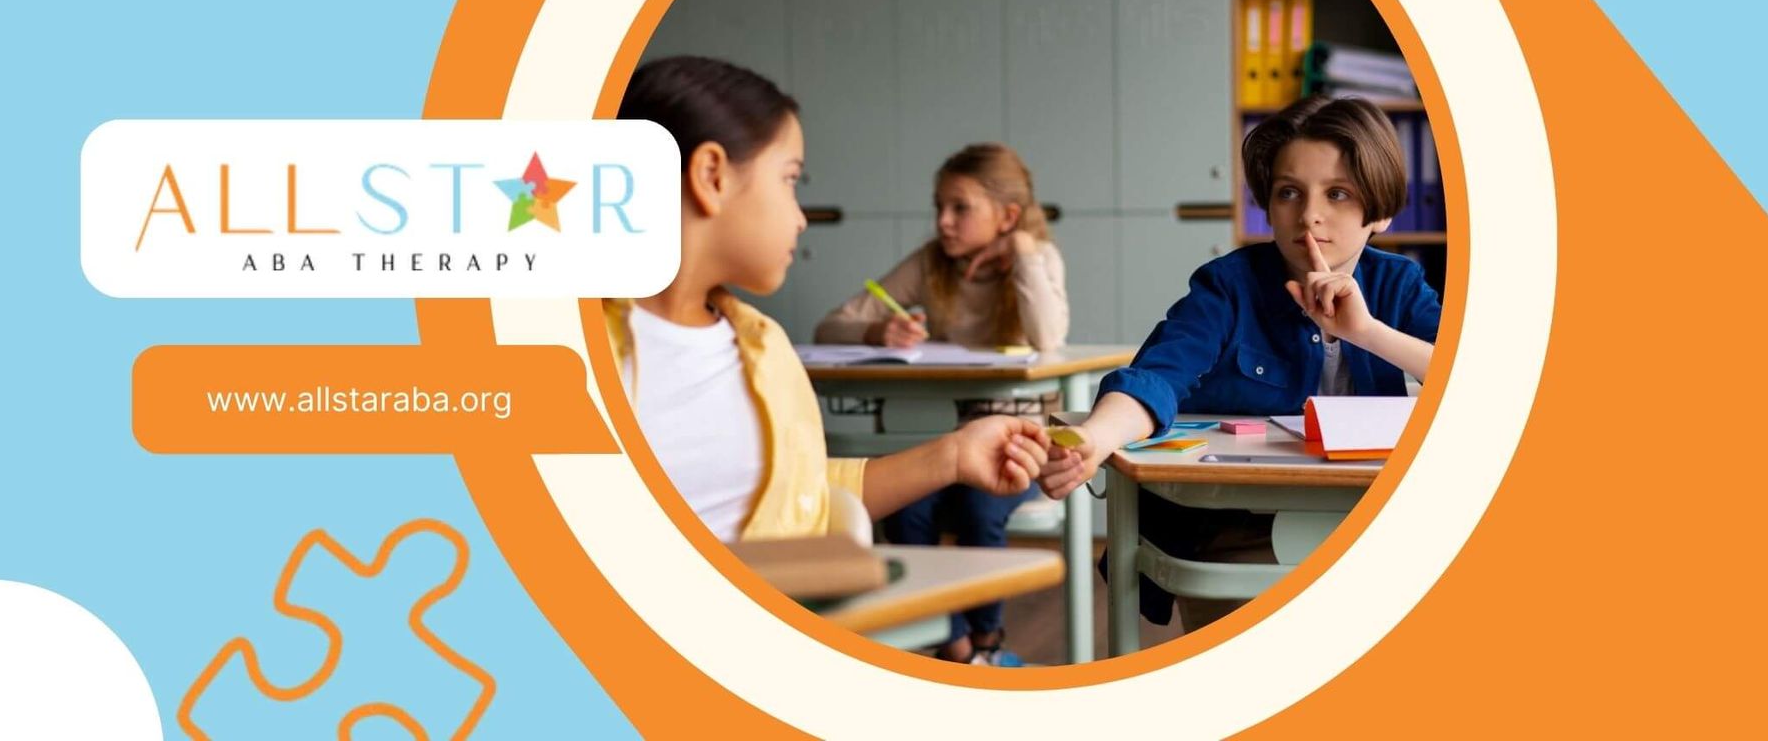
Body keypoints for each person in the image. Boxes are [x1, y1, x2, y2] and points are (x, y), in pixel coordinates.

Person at [604, 55, 1049, 553]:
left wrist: (955, 455)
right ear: (712, 175)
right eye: (790, 179)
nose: (800, 218)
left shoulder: (763, 348)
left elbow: (802, 496)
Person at [1040, 94, 1440, 632]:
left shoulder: (1399, 284)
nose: (1309, 216)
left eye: (1338, 194)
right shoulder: (1228, 286)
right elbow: (1158, 375)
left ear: (1381, 211)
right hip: (1233, 525)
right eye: (1288, 193)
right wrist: (1095, 438)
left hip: (1367, 519)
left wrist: (1366, 332)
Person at [815, 142, 1068, 665]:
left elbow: (1049, 336)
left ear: (1008, 216)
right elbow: (830, 325)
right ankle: (953, 643)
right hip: (944, 442)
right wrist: (878, 329)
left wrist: (1021, 250)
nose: (943, 222)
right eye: (939, 207)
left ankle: (988, 644)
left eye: (960, 208)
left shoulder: (1037, 258)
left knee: (979, 508)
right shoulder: (931, 263)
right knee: (908, 505)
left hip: (1018, 443)